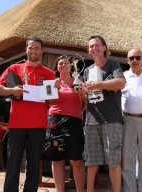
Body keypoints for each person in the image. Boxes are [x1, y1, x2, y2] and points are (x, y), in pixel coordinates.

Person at [0, 37, 55, 192]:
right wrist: (11, 91)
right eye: (31, 48)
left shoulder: (48, 74)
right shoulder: (14, 68)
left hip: (39, 124)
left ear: (42, 51)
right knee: (13, 163)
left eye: (37, 48)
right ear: (26, 49)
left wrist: (54, 91)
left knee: (34, 164)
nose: (33, 51)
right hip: (17, 124)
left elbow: (51, 101)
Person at [83, 35, 125, 192]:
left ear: (104, 47)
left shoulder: (112, 64)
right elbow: (85, 96)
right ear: (89, 51)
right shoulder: (86, 71)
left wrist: (99, 84)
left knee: (114, 161)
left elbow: (121, 83)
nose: (94, 48)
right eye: (91, 46)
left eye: (97, 45)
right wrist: (81, 93)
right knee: (91, 161)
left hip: (112, 119)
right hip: (91, 120)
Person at [43, 55, 86, 192]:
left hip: (74, 121)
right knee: (56, 160)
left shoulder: (79, 81)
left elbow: (84, 105)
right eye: (60, 63)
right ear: (57, 67)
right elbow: (48, 103)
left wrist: (81, 95)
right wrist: (53, 90)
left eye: (66, 63)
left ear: (71, 66)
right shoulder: (51, 83)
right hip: (55, 121)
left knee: (77, 160)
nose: (63, 65)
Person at [121, 48, 142, 192]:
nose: (134, 60)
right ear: (127, 60)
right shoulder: (122, 77)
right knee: (127, 159)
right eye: (131, 58)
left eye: (137, 57)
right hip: (127, 120)